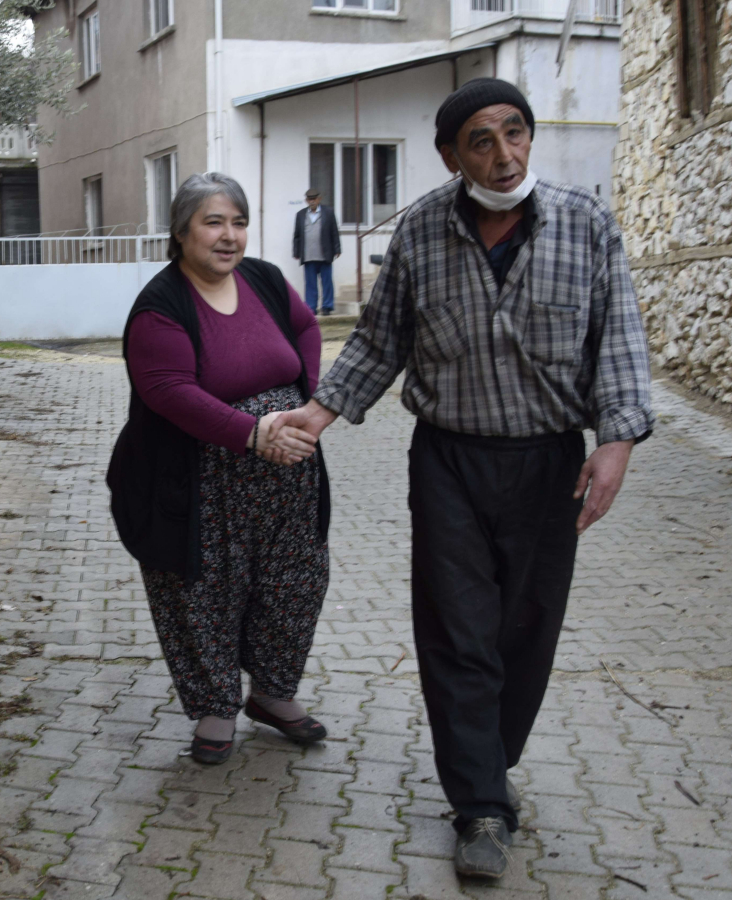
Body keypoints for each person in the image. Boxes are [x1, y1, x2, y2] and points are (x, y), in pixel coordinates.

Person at [274, 79, 654, 879]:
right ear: (452, 155)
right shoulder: (419, 234)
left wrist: (616, 441)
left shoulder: (586, 227)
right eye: (483, 140)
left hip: (549, 462)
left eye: (515, 133)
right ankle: (481, 803)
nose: (505, 153)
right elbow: (380, 344)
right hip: (448, 458)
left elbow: (617, 339)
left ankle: (492, 755)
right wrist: (321, 413)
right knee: (457, 630)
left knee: (525, 628)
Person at [107, 172, 330, 766]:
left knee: (293, 586)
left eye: (238, 221)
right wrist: (253, 433)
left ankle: (272, 694)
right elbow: (168, 390)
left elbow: (307, 328)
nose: (229, 236)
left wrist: (306, 407)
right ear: (181, 232)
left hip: (286, 481)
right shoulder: (162, 305)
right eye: (213, 222)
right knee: (203, 594)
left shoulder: (262, 279)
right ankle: (214, 705)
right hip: (199, 487)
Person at [292, 189, 341, 316]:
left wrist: (337, 248)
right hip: (308, 255)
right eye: (309, 199)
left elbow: (334, 232)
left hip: (325, 254)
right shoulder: (300, 214)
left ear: (319, 199)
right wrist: (296, 251)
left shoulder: (328, 212)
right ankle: (311, 307)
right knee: (310, 283)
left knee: (327, 282)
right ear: (306, 201)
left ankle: (327, 306)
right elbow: (297, 235)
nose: (312, 201)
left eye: (314, 198)